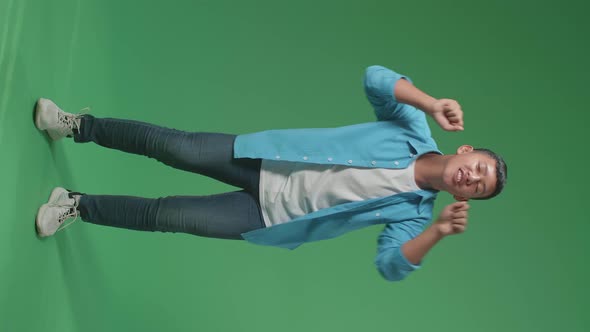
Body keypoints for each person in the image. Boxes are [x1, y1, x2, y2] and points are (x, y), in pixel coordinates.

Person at [34, 65, 507, 281]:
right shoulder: (411, 125)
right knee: (171, 145)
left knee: (168, 215)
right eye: (478, 167)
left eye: (479, 186)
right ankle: (75, 126)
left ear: (467, 197)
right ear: (465, 151)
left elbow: (391, 266)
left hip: (266, 217)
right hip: (262, 157)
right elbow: (376, 79)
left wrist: (440, 231)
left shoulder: (414, 215)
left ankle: (76, 204)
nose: (473, 177)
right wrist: (429, 101)